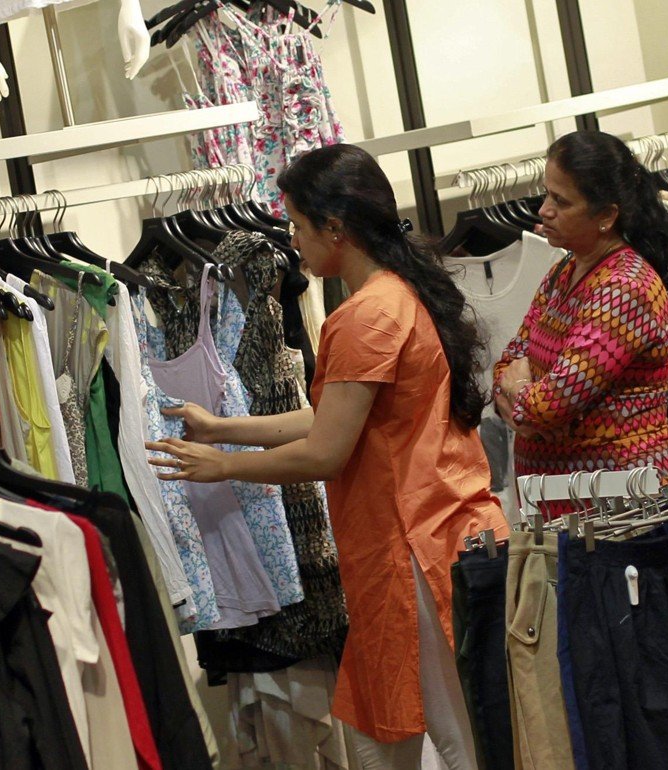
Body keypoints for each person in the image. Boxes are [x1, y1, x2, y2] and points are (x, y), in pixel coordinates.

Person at [147, 143, 504, 770]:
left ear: (334, 229)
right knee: (430, 733)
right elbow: (336, 419)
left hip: (414, 545)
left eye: (297, 223)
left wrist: (222, 464)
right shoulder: (394, 294)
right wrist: (221, 426)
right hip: (427, 533)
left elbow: (325, 452)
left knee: (458, 738)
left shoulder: (364, 316)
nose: (291, 238)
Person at [493, 130, 668, 497]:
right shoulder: (564, 272)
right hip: (569, 500)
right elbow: (506, 362)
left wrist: (523, 395)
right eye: (547, 194)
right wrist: (528, 398)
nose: (543, 211)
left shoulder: (624, 288)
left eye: (561, 201)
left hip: (628, 506)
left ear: (606, 216)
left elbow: (546, 406)